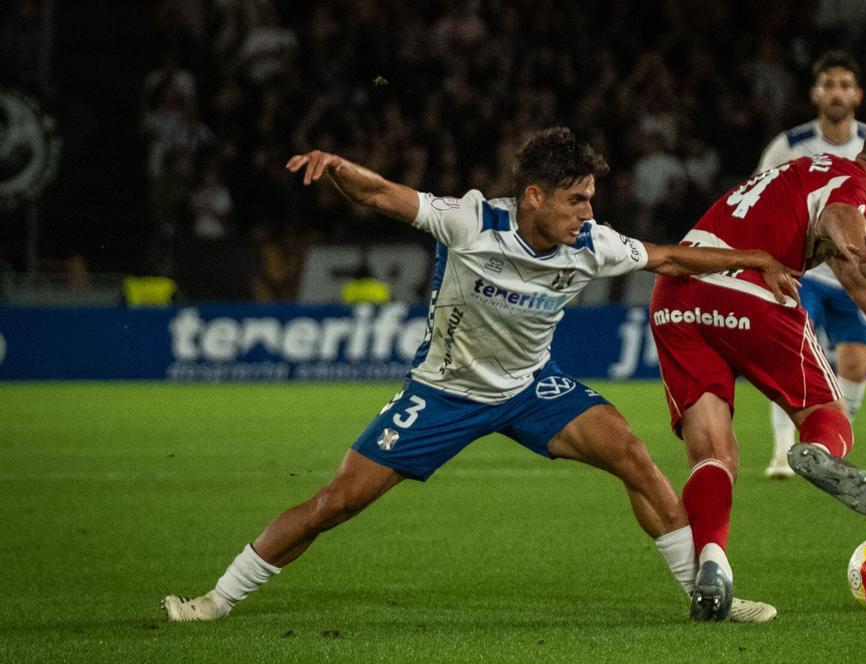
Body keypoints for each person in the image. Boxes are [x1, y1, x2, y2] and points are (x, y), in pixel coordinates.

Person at [162, 128, 798, 624]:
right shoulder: (471, 222)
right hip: (445, 392)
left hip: (530, 389)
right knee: (335, 504)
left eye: (591, 200)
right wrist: (337, 168)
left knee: (633, 454)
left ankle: (705, 595)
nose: (588, 211)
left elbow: (670, 256)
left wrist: (757, 259)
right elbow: (383, 194)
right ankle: (215, 600)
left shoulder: (592, 244)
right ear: (533, 197)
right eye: (576, 199)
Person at [649, 118, 866, 620]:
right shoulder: (852, 183)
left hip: (676, 294)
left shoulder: (802, 172)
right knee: (827, 409)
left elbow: (862, 287)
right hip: (750, 289)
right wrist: (857, 247)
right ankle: (817, 451)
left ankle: (712, 563)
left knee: (712, 452)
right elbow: (842, 219)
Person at [755, 50, 866, 478]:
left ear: (858, 94)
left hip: (855, 273)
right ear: (814, 93)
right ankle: (783, 451)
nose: (836, 92)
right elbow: (761, 198)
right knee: (791, 360)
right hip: (803, 272)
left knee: (856, 363)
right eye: (829, 84)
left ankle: (834, 444)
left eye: (844, 84)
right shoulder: (788, 145)